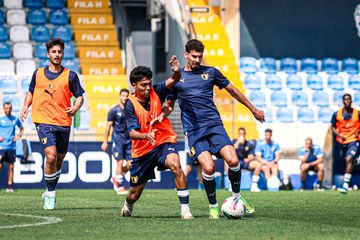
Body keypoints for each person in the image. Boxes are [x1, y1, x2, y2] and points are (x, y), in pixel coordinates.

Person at [165, 39, 265, 219]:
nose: (197, 60)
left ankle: (237, 198)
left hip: (214, 125)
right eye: (194, 56)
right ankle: (213, 206)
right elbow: (169, 106)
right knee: (209, 168)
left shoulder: (211, 73)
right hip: (194, 131)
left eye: (200, 56)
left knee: (233, 161)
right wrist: (159, 116)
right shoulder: (177, 79)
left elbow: (233, 91)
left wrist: (253, 109)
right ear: (186, 55)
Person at [120, 56, 193, 219]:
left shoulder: (157, 91)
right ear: (134, 85)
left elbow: (174, 79)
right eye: (143, 85)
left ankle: (185, 210)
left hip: (163, 142)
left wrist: (176, 71)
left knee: (175, 164)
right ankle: (128, 203)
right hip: (142, 151)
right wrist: (146, 135)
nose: (147, 88)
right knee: (134, 194)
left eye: (149, 84)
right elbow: (131, 132)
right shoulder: (130, 104)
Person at [20, 38, 85, 209]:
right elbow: (31, 92)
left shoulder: (70, 75)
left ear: (63, 54)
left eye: (59, 52)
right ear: (48, 54)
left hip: (63, 121)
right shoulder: (38, 73)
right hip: (43, 120)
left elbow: (80, 96)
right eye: (54, 52)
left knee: (59, 160)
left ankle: (50, 187)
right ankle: (50, 194)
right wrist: (25, 107)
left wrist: (76, 107)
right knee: (51, 156)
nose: (57, 55)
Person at [101, 88, 132, 195]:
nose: (124, 98)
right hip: (118, 139)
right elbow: (108, 127)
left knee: (130, 164)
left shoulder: (130, 110)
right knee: (119, 161)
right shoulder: (114, 111)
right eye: (123, 95)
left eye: (126, 96)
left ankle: (116, 177)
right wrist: (105, 141)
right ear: (120, 96)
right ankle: (119, 186)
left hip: (129, 140)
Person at [331, 93, 360, 194]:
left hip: (353, 139)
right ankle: (357, 160)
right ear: (343, 101)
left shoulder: (357, 113)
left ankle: (345, 184)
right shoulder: (336, 114)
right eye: (345, 99)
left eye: (349, 99)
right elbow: (333, 126)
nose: (347, 101)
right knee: (349, 161)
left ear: (351, 101)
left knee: (349, 159)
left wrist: (358, 131)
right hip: (342, 141)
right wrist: (338, 135)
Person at [0, 102, 24, 192]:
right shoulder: (1, 118)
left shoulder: (15, 118)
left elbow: (21, 128)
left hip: (11, 147)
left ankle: (9, 186)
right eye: (6, 108)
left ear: (11, 108)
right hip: (1, 146)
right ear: (3, 108)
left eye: (9, 108)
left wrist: (19, 135)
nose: (8, 110)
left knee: (11, 166)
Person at [231, 127, 261, 192]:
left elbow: (251, 155)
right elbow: (230, 151)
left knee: (258, 165)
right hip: (235, 161)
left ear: (245, 134)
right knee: (227, 163)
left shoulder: (249, 143)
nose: (242, 135)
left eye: (243, 133)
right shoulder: (234, 142)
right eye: (240, 133)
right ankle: (231, 185)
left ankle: (254, 185)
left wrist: (248, 159)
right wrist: (238, 142)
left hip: (245, 162)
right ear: (238, 134)